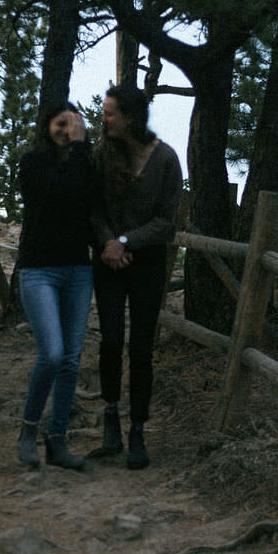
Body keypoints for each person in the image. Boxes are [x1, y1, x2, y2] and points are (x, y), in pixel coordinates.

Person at [89, 84, 183, 470]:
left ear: (129, 117)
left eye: (109, 112)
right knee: (111, 340)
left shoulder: (166, 159)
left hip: (147, 264)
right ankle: (111, 416)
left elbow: (166, 221)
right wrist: (108, 243)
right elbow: (92, 207)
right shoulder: (102, 154)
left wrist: (125, 241)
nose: (103, 118)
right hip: (107, 261)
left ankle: (138, 432)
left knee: (141, 348)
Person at [15, 101, 96, 470]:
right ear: (47, 127)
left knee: (71, 361)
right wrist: (80, 148)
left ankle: (58, 441)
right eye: (60, 124)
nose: (67, 131)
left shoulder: (87, 164)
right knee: (51, 354)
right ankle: (27, 432)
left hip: (78, 270)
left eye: (73, 124)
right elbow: (62, 193)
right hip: (39, 271)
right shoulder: (32, 164)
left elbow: (90, 201)